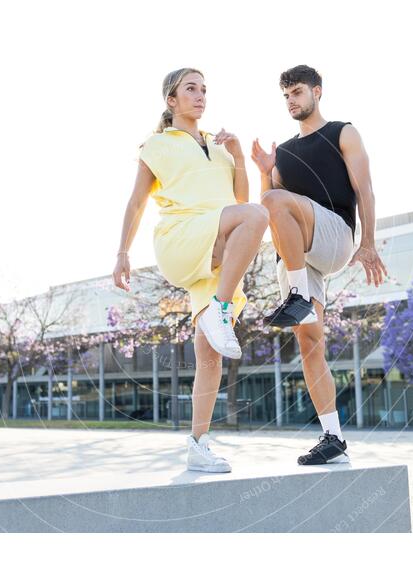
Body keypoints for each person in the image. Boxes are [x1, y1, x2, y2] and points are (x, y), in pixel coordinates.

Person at [113, 68, 269, 472]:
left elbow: (239, 199)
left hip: (216, 247)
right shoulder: (157, 145)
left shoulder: (218, 147)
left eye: (204, 90)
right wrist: (122, 253)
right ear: (172, 100)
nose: (200, 96)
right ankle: (220, 309)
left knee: (210, 354)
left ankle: (198, 446)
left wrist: (237, 157)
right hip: (181, 238)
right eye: (191, 89)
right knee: (256, 216)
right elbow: (135, 204)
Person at [250, 64, 388, 465]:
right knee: (310, 344)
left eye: (297, 92)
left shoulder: (343, 132)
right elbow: (271, 213)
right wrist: (264, 172)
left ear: (317, 92)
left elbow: (365, 189)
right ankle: (334, 438)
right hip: (297, 256)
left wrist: (368, 243)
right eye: (286, 95)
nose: (291, 100)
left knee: (275, 201)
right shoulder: (285, 153)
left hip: (334, 234)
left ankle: (297, 294)